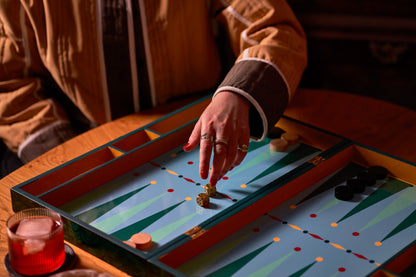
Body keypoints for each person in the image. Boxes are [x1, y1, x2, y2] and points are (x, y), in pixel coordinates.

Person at [0, 0, 307, 185]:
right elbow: (9, 83)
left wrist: (237, 94)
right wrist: (69, 162)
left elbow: (275, 29)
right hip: (81, 140)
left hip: (197, 130)